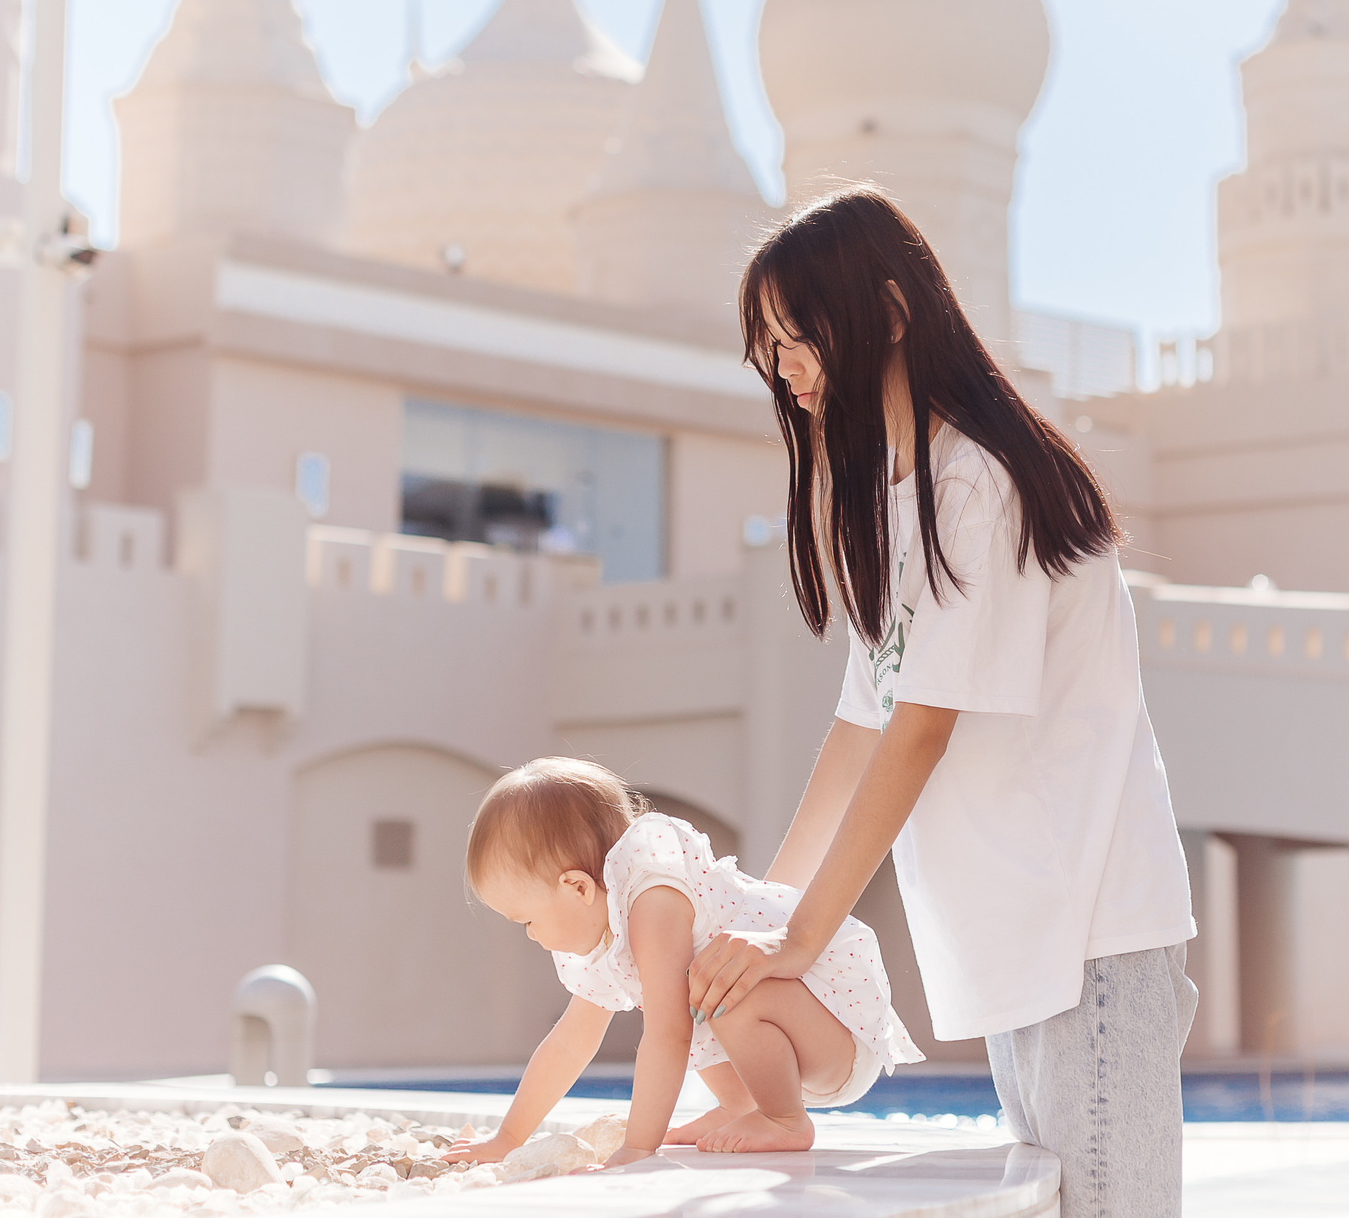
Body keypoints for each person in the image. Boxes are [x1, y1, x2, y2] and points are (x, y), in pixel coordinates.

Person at [695, 185, 1199, 1218]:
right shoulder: (898, 499)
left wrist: (799, 941)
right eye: (769, 346)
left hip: (1091, 932)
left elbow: (920, 730)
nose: (784, 366)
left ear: (886, 313)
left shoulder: (981, 482)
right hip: (1025, 935)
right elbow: (859, 730)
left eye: (798, 334)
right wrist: (763, 916)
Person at [441, 756, 921, 1167]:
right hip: (794, 1050)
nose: (531, 935)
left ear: (578, 887)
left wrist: (638, 1147)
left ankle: (784, 1118)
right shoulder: (607, 933)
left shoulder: (653, 899)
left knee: (711, 988)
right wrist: (507, 1139)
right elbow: (570, 1043)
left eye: (527, 921)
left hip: (834, 1035)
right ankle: (740, 1104)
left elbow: (667, 1035)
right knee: (695, 990)